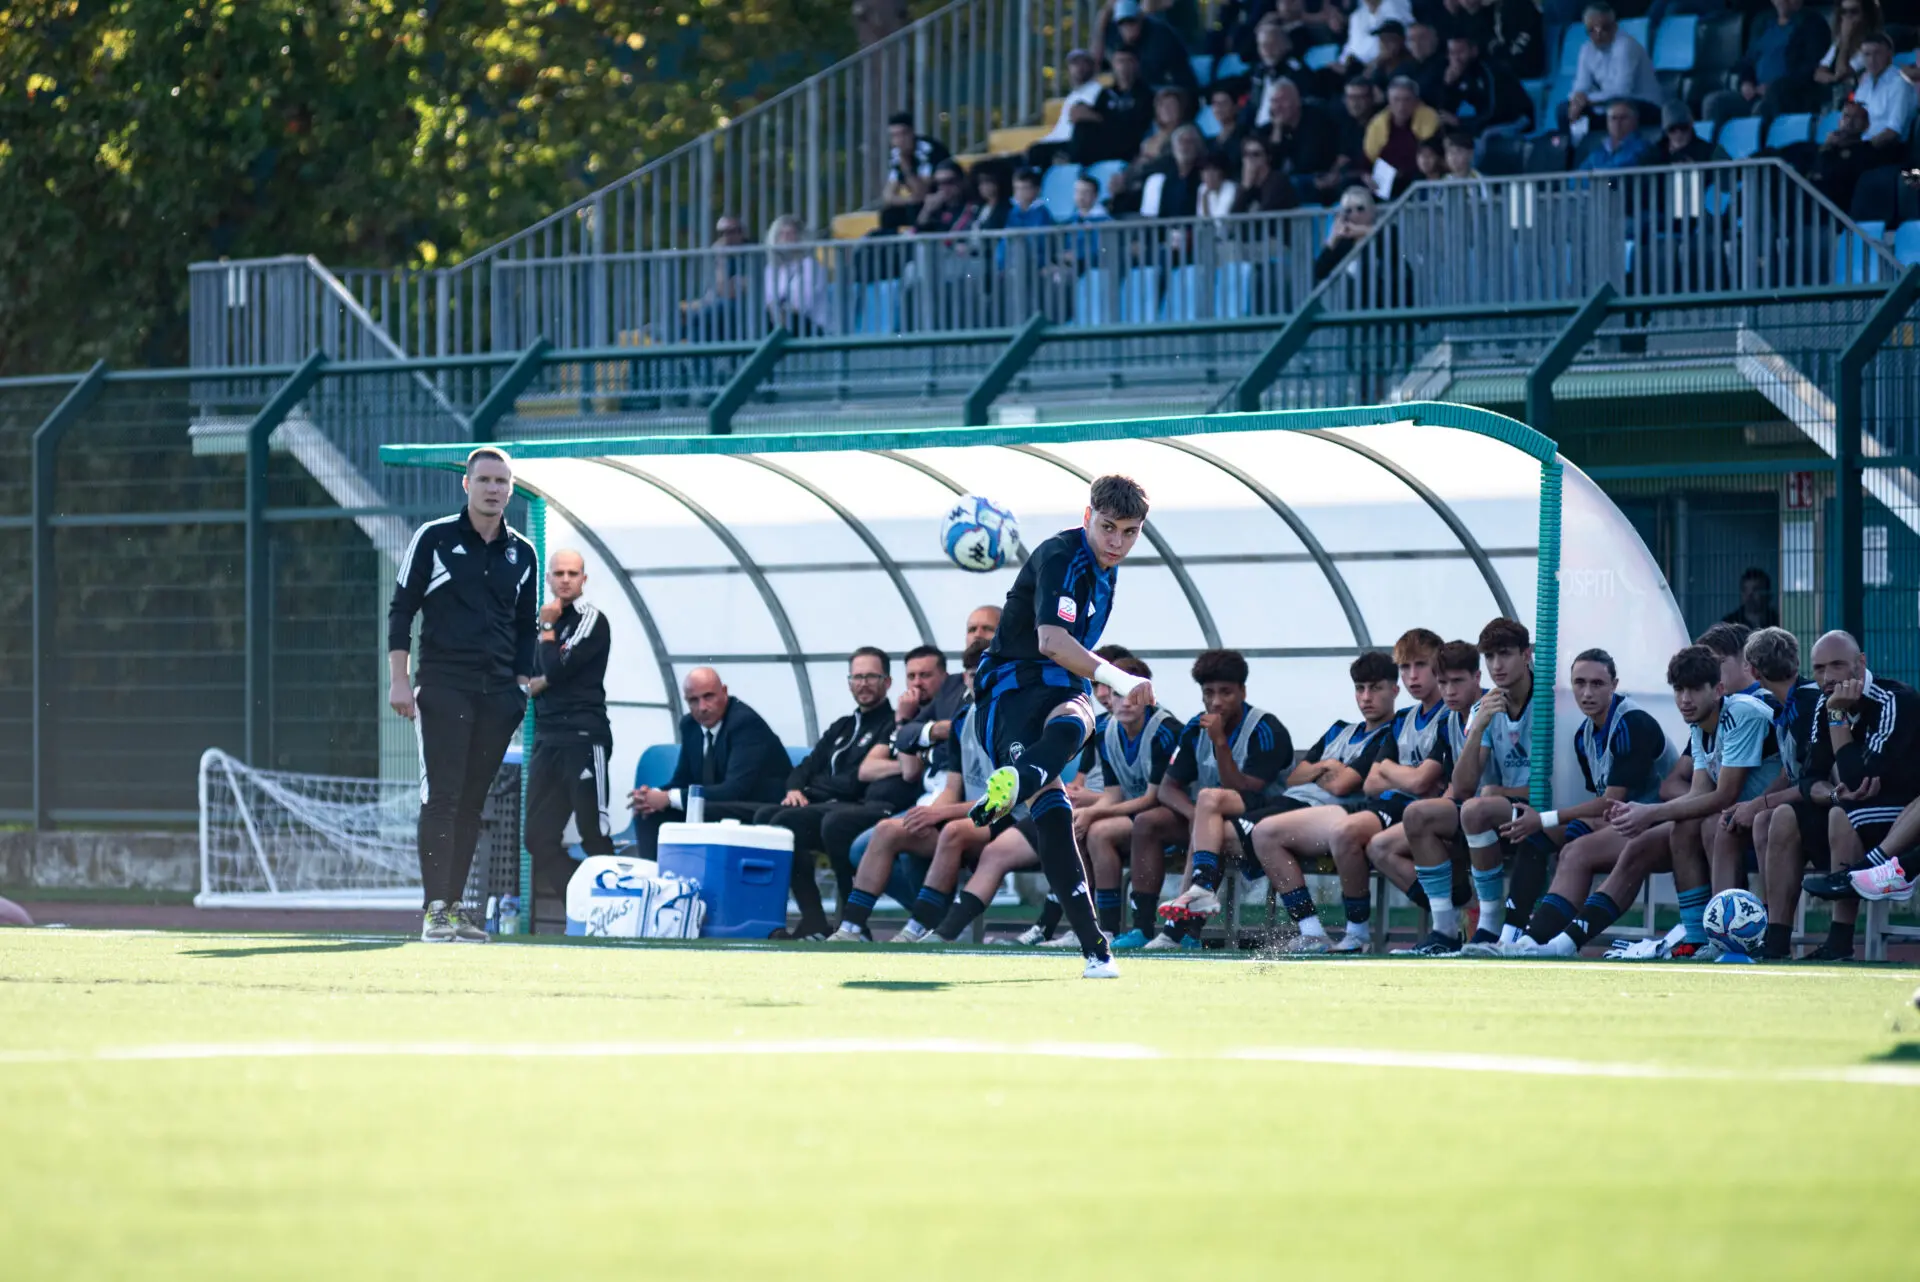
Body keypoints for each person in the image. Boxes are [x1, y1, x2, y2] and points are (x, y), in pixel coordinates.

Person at [964, 475, 1157, 978]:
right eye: (1109, 528)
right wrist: (1118, 676)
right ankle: (1095, 948)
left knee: (1078, 724)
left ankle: (1097, 955)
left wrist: (1101, 681)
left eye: (1131, 532)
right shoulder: (1060, 555)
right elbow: (1051, 640)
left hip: (1060, 686)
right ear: (1088, 516)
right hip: (1008, 690)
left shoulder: (1106, 568)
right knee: (1053, 810)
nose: (1118, 542)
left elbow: (1065, 656)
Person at [1531, 644, 1784, 961]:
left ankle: (1723, 940)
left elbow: (1722, 796)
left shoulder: (1737, 714)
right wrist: (1650, 815)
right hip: (1713, 817)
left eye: (1694, 689)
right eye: (1679, 690)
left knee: (1705, 825)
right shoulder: (1699, 725)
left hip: (1771, 813)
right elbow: (1697, 793)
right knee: (1642, 843)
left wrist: (1648, 812)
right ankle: (1556, 942)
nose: (1684, 699)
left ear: (1718, 689)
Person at [386, 446, 538, 944]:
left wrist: (520, 687)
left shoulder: (524, 553)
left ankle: (455, 909)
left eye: (502, 481)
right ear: (466, 485)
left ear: (512, 489)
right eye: (485, 480)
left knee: (474, 804)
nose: (494, 489)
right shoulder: (434, 538)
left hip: (499, 695)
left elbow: (524, 626)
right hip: (444, 686)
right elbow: (402, 609)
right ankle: (434, 911)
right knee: (443, 798)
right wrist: (400, 679)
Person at [1501, 649, 1679, 956]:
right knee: (1539, 836)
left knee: (1576, 849)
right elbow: (1606, 806)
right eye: (1579, 683)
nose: (1587, 692)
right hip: (1624, 820)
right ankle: (1510, 935)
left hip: (1661, 822)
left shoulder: (1631, 723)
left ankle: (1542, 942)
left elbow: (1611, 802)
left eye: (1597, 684)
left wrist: (1544, 817)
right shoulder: (1583, 735)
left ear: (1615, 684)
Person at [1237, 651, 1403, 953]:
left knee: (1254, 831)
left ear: (1395, 690)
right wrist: (1326, 765)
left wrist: (1320, 772)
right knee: (1230, 829)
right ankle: (1311, 931)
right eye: (1360, 688)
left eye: (1376, 688)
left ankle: (1349, 933)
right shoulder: (1340, 729)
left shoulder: (1393, 733)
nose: (1366, 697)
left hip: (1344, 813)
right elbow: (1295, 776)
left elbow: (1343, 785)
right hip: (1299, 808)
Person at [828, 640, 992, 942]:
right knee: (887, 831)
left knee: (951, 832)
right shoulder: (963, 721)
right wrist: (932, 814)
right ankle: (850, 929)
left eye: (987, 671)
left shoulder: (1013, 720)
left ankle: (928, 926)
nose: (977, 679)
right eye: (971, 673)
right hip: (965, 811)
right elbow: (952, 784)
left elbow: (1006, 799)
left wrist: (941, 813)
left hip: (1004, 818)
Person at [1132, 648, 1294, 950]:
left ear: (1243, 691)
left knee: (1210, 824)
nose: (1216, 701)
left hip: (1261, 820)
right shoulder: (1195, 727)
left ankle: (1180, 933)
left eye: (1226, 692)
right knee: (1147, 822)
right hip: (1209, 815)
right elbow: (1168, 788)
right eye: (1209, 693)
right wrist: (1195, 815)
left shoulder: (1266, 729)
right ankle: (1142, 927)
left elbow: (1245, 791)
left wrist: (1220, 742)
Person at [1395, 617, 1538, 956]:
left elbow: (1555, 786)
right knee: (1415, 816)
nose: (1496, 665)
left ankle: (1487, 924)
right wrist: (1478, 728)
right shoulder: (1484, 707)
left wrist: (1499, 793)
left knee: (1475, 808)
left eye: (1504, 654)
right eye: (1490, 657)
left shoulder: (1549, 702)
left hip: (1541, 809)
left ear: (1527, 654)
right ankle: (1444, 929)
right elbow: (1462, 787)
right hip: (1492, 809)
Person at [757, 648, 902, 940]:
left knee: (789, 823)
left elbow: (855, 782)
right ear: (849, 682)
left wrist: (814, 788)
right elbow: (807, 765)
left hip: (855, 808)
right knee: (766, 817)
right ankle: (812, 919)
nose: (863, 683)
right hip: (824, 806)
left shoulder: (892, 724)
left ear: (887, 682)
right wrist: (795, 789)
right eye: (857, 677)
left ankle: (850, 925)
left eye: (871, 677)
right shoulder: (843, 726)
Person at [1797, 631, 1920, 953]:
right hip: (1866, 808)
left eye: (1837, 665)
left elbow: (1858, 778)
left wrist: (1837, 717)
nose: (1827, 676)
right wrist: (1833, 794)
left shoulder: (1895, 699)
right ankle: (1775, 941)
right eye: (1819, 668)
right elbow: (1810, 777)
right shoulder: (1826, 701)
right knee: (1783, 818)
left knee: (1843, 813)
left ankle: (1856, 881)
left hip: (1904, 811)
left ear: (1860, 663)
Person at [1357, 637, 1485, 921]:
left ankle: (1358, 932)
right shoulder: (1405, 718)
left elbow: (1421, 782)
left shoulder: (1456, 712)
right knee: (1377, 846)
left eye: (1420, 665)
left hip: (1462, 808)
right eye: (1404, 667)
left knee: (1351, 834)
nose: (1412, 676)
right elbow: (1371, 783)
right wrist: (1403, 774)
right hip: (1431, 808)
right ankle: (1453, 917)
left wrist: (1389, 769)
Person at [523, 550, 614, 916]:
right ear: (548, 579)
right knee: (537, 839)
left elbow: (556, 671)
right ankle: (585, 907)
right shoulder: (538, 624)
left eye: (572, 573)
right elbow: (527, 678)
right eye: (558, 573)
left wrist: (547, 637)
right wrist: (544, 670)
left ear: (583, 580)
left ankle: (617, 914)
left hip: (583, 737)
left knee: (594, 833)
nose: (565, 579)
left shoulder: (591, 619)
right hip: (547, 740)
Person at [1075, 656, 1183, 948]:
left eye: (1134, 695)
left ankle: (1134, 927)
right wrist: (1086, 814)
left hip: (1176, 814)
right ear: (1108, 694)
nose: (1125, 703)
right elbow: (1112, 794)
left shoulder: (1165, 730)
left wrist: (1093, 816)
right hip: (1139, 813)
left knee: (1099, 830)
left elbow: (1152, 798)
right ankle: (1104, 928)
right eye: (1119, 694)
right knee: (1082, 827)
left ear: (1148, 696)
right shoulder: (1106, 731)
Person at [629, 667, 791, 860]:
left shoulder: (745, 723)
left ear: (724, 692)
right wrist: (651, 796)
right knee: (649, 811)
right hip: (721, 805)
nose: (702, 707)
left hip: (760, 808)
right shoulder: (690, 725)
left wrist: (669, 797)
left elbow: (735, 789)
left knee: (697, 808)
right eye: (693, 700)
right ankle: (657, 881)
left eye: (709, 696)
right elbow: (682, 779)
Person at [1739, 627, 1833, 958]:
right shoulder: (1786, 705)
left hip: (1832, 809)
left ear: (1752, 669)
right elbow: (1789, 772)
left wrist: (1760, 803)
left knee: (1774, 815)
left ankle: (1777, 935)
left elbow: (1811, 779)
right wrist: (1753, 805)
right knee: (1764, 819)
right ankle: (1771, 928)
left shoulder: (1808, 702)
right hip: (1807, 804)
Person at [1703, 0, 1831, 128]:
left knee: (1762, 106)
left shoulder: (1813, 23)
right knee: (1715, 102)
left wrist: (1773, 87)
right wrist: (1746, 82)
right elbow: (1748, 61)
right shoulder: (1763, 22)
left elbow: (1812, 67)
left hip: (1788, 95)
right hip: (1755, 93)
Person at [1560, 3, 1662, 135]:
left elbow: (1622, 91)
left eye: (1604, 28)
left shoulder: (1626, 45)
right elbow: (1581, 84)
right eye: (1592, 30)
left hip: (1642, 104)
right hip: (1608, 103)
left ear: (1614, 26)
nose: (1599, 34)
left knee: (1616, 111)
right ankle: (1571, 152)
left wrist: (1588, 100)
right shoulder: (1586, 49)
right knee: (1564, 111)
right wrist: (1577, 99)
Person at [1433, 31, 1532, 136]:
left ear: (1474, 51)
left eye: (1461, 52)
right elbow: (1445, 112)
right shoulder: (1458, 72)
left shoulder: (1492, 71)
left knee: (1483, 136)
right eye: (1452, 53)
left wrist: (1460, 122)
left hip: (1516, 119)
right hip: (1488, 121)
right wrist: (1448, 85)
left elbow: (1494, 112)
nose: (1456, 58)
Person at [1071, 48, 1156, 165]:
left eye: (1128, 61)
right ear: (1113, 65)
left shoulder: (1146, 94)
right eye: (1120, 62)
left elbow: (1135, 125)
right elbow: (1096, 116)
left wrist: (1098, 117)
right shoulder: (1106, 93)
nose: (1123, 66)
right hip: (1104, 142)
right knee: (1040, 150)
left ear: (1136, 64)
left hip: (1129, 144)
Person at [1094, 0, 1200, 93]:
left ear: (1140, 20)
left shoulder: (1160, 37)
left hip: (1171, 88)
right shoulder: (1116, 40)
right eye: (1123, 24)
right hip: (1140, 92)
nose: (1128, 28)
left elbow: (1150, 76)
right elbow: (1099, 70)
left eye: (1132, 22)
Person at [1028, 49, 1108, 169]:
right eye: (1074, 64)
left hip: (1077, 144)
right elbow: (1060, 129)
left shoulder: (1099, 91)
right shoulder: (1072, 96)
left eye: (1083, 63)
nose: (1078, 68)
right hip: (1061, 141)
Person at [879, 111, 953, 232]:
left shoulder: (928, 149)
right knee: (889, 214)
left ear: (912, 133)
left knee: (915, 209)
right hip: (918, 203)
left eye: (902, 134)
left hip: (942, 201)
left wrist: (905, 164)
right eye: (894, 136)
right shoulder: (895, 154)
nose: (899, 140)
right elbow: (888, 196)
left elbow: (921, 192)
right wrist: (909, 200)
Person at [680, 216, 752, 342]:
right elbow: (712, 291)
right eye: (721, 233)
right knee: (679, 315)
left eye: (731, 231)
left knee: (704, 315)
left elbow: (727, 292)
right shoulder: (716, 257)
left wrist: (721, 257)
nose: (726, 237)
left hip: (742, 307)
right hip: (715, 304)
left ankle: (700, 359)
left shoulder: (752, 255)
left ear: (742, 233)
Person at [1365, 77, 1442, 192]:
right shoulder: (1377, 124)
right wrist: (1366, 176)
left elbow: (1429, 156)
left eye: (1407, 100)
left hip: (1418, 181)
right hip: (1384, 185)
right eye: (1396, 100)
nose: (1401, 106)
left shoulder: (1429, 119)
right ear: (1389, 101)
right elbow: (1368, 159)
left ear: (1416, 101)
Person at [763, 215, 829, 335]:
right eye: (781, 234)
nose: (786, 238)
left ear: (800, 238)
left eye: (790, 234)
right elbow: (768, 300)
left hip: (809, 325)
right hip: (778, 321)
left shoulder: (810, 265)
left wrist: (778, 311)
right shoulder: (771, 269)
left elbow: (803, 304)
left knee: (788, 319)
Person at [1448, 0, 1545, 81]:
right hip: (1506, 73)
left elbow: (1525, 50)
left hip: (1526, 70)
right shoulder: (1493, 11)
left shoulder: (1516, 4)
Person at [1815, 0, 1882, 98]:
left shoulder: (1872, 46)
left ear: (1865, 15)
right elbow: (1819, 73)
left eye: (1853, 12)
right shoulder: (1838, 42)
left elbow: (1842, 72)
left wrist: (1846, 38)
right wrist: (1834, 79)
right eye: (1844, 12)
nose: (1848, 17)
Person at [1334, 0, 1416, 77]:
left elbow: (1397, 40)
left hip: (1388, 63)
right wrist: (1342, 63)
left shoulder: (1396, 5)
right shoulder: (1357, 16)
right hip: (1357, 66)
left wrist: (1374, 65)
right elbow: (1350, 46)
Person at [1576, 99, 1654, 170]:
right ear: (1607, 122)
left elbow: (1616, 175)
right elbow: (1575, 180)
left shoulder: (1643, 148)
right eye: (1613, 118)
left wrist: (1595, 175)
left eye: (1623, 118)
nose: (1617, 123)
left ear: (1635, 120)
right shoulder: (1599, 150)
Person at [1234, 134, 1301, 212]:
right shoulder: (1245, 185)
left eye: (1256, 154)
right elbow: (1232, 218)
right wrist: (1245, 187)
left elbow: (1265, 212)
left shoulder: (1278, 181)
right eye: (1246, 154)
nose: (1250, 160)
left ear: (1268, 158)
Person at [1655, 100, 1723, 164]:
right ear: (1665, 131)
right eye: (1672, 129)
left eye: (1683, 127)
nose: (1679, 133)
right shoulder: (1656, 153)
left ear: (1691, 124)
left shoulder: (1709, 151)